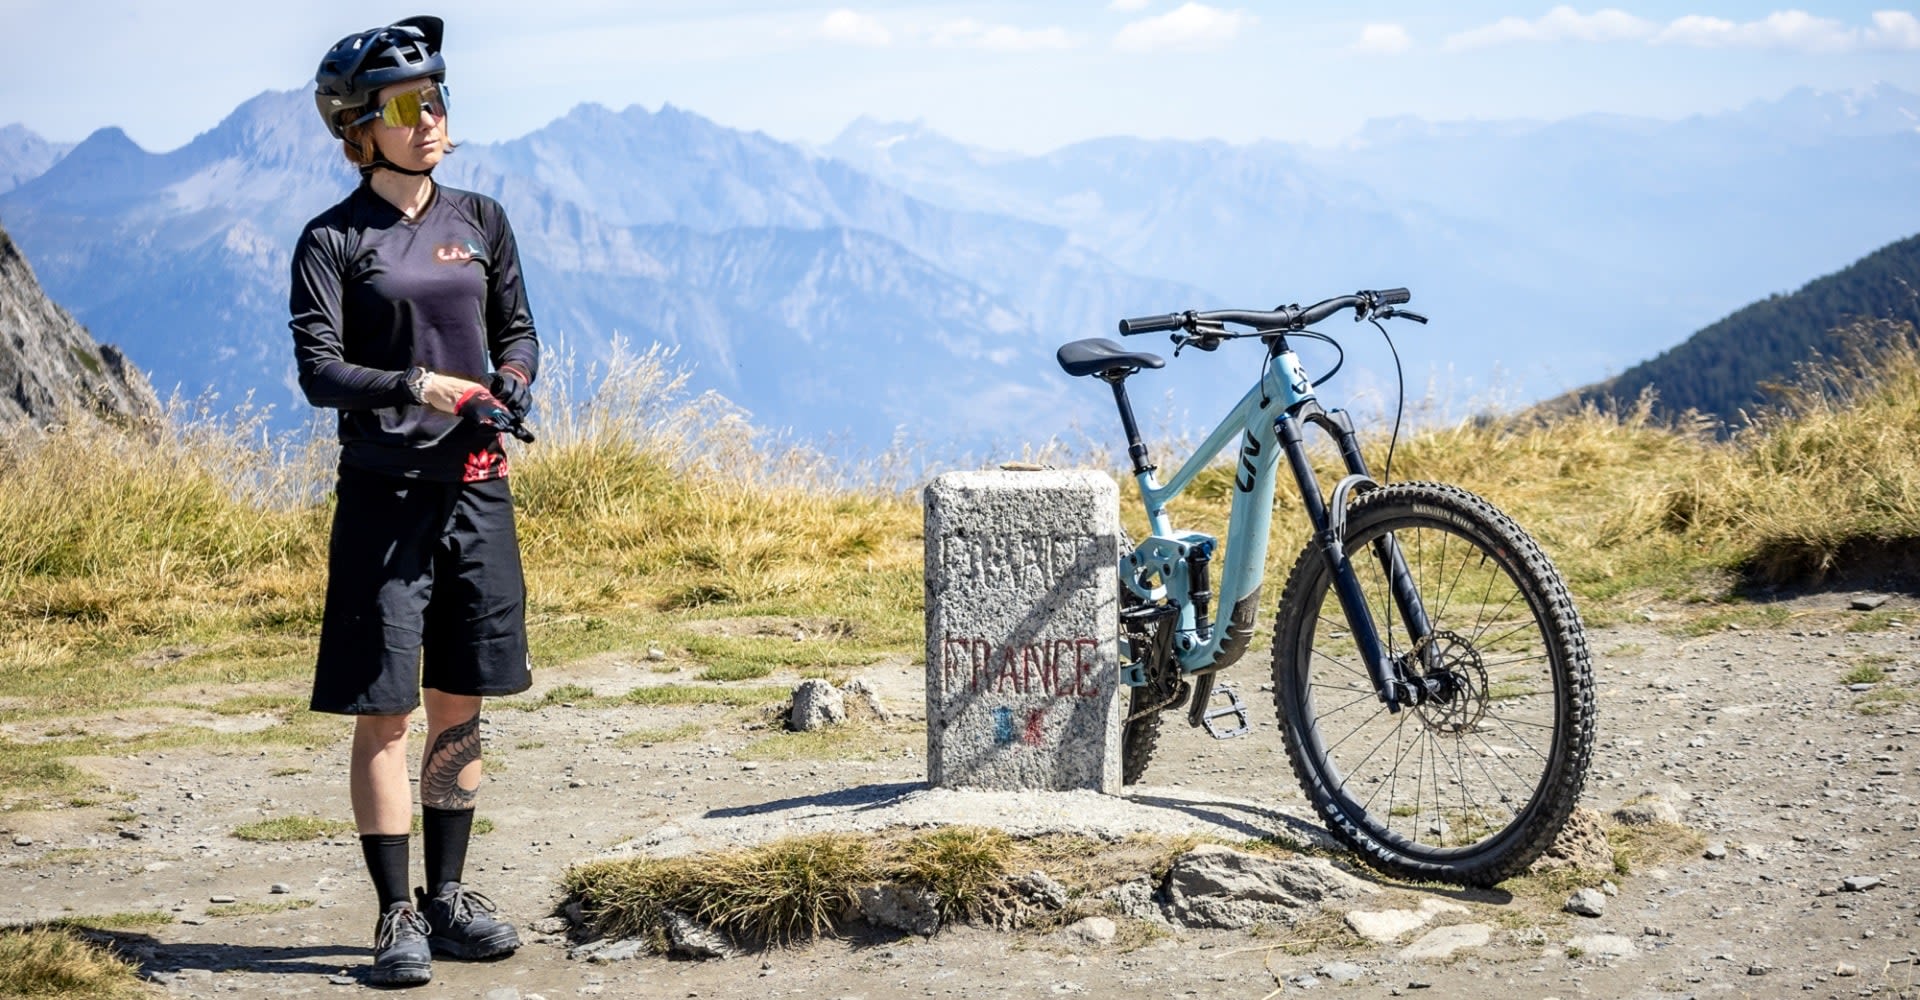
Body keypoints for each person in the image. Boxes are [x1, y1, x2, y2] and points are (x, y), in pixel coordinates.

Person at [289, 14, 538, 988]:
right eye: (406, 103)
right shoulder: (334, 240)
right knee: (386, 712)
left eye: (437, 97)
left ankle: (447, 899)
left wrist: (510, 380)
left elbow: (516, 329)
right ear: (360, 127)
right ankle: (393, 913)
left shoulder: (481, 220)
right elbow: (319, 373)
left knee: (459, 704)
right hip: (385, 496)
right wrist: (418, 387)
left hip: (477, 489)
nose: (429, 115)